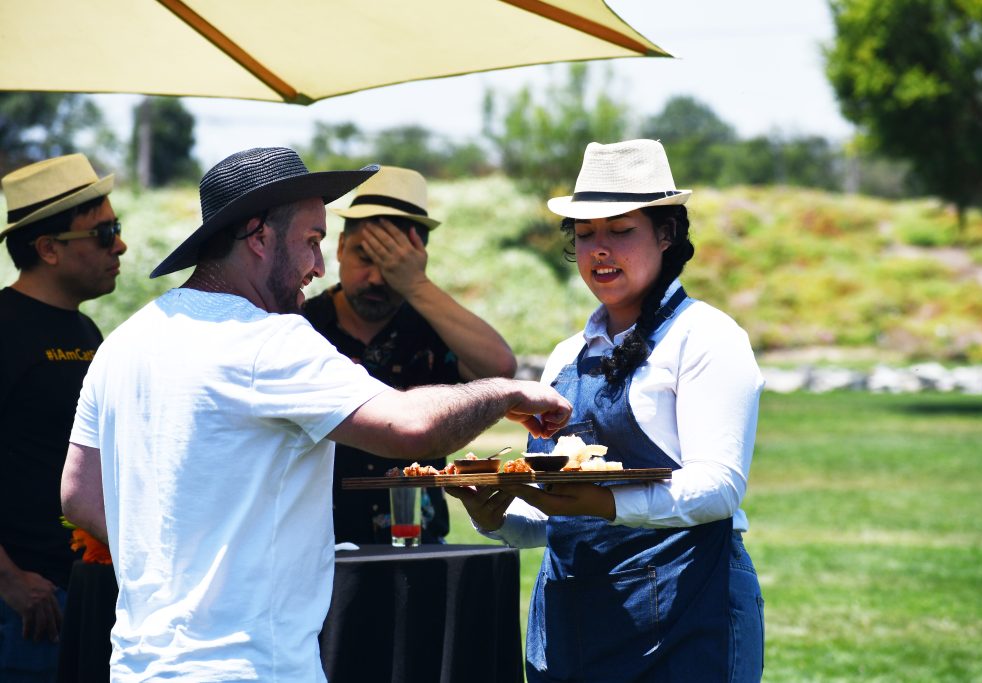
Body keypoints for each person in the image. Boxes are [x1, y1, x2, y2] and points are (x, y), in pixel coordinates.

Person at [58, 147, 570, 683]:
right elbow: (410, 427)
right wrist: (506, 393)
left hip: (137, 666)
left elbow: (79, 495)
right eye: (311, 240)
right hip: (250, 668)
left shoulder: (123, 342)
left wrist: (181, 554)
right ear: (258, 237)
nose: (319, 267)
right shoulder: (270, 340)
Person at [448, 139, 765, 682]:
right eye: (586, 233)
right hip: (571, 616)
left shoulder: (706, 337)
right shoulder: (565, 356)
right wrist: (493, 514)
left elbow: (719, 488)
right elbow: (554, 518)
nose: (599, 249)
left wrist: (603, 502)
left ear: (666, 234)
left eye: (621, 231)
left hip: (688, 610)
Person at [303, 166, 517, 545]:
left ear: (419, 261)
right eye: (365, 257)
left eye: (393, 265)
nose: (376, 278)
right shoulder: (304, 327)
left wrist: (416, 284)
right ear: (340, 248)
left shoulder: (433, 327)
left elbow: (499, 369)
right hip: (319, 548)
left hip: (419, 546)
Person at [0, 153, 126, 682]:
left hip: (82, 591)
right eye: (104, 233)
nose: (120, 245)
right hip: (24, 607)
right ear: (48, 248)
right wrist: (9, 580)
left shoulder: (85, 331)